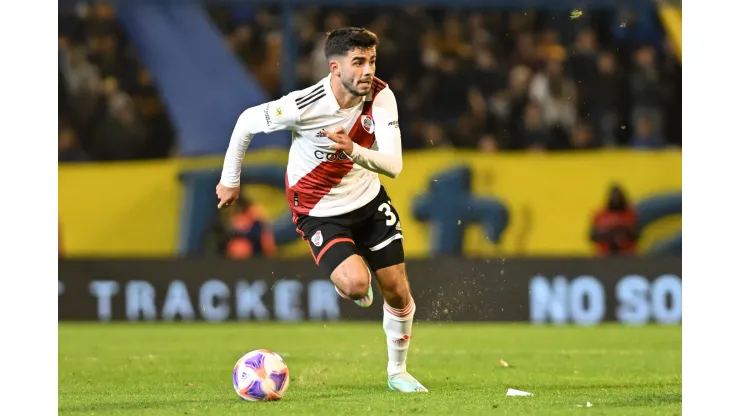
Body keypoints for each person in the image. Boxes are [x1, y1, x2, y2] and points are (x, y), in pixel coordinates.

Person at [216, 27, 427, 393]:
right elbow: (246, 122)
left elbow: (393, 165)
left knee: (397, 289)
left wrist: (353, 150)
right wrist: (230, 180)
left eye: (372, 61)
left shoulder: (381, 97)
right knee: (357, 283)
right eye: (358, 62)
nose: (367, 71)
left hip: (369, 200)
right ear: (335, 67)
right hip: (318, 209)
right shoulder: (305, 104)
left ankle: (397, 373)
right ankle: (354, 285)